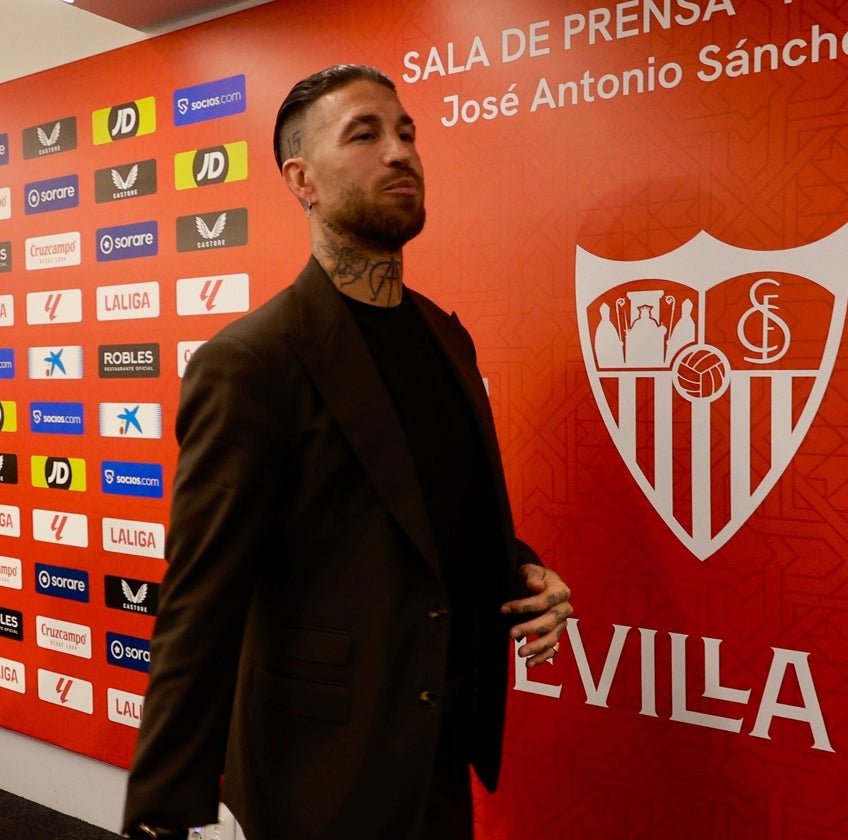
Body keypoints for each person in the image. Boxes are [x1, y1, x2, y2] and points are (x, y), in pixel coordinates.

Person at [122, 64, 573, 840]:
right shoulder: (253, 360)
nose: (399, 152)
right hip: (317, 775)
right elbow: (200, 606)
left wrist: (520, 568)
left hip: (437, 758)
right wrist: (163, 818)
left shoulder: (444, 338)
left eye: (406, 133)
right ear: (303, 180)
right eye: (363, 134)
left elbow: (409, 512)